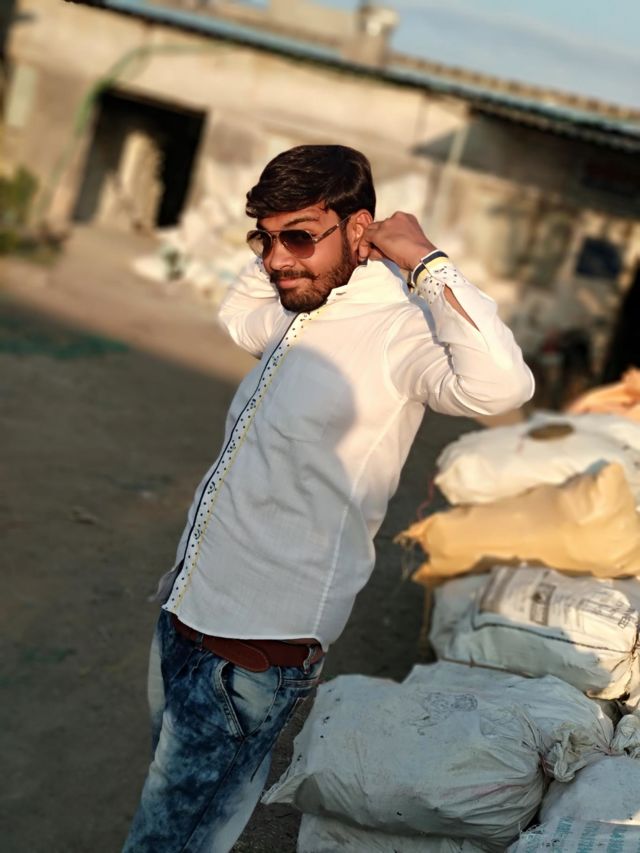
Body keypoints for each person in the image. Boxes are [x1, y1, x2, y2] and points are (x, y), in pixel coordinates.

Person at [122, 144, 534, 852]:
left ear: (359, 227)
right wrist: (288, 254)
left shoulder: (399, 331)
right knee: (181, 822)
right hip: (187, 610)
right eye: (265, 239)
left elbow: (502, 385)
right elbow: (238, 316)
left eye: (300, 236)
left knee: (168, 838)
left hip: (252, 651)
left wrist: (425, 262)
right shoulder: (301, 310)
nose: (278, 260)